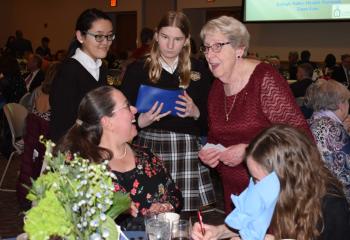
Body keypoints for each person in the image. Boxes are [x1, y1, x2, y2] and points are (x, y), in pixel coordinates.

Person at [198, 16, 311, 214]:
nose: (209, 54)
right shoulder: (216, 89)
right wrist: (212, 154)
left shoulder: (264, 79)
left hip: (274, 195)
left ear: (239, 49)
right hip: (235, 196)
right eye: (206, 47)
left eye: (217, 46)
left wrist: (249, 151)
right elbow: (217, 137)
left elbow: (299, 139)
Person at [120, 11, 215, 212]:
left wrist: (196, 112)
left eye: (177, 39)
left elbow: (211, 121)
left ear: (187, 40)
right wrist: (140, 120)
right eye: (165, 37)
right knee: (151, 211)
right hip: (149, 146)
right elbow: (121, 113)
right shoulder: (138, 69)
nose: (170, 46)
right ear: (156, 35)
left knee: (185, 214)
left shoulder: (199, 70)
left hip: (187, 148)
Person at [55, 86, 183, 230]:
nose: (134, 109)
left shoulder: (147, 156)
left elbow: (175, 194)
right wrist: (147, 217)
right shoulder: (85, 171)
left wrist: (166, 206)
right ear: (107, 122)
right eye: (127, 106)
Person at [192, 125, 350, 240]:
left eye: (260, 180)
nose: (256, 186)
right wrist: (218, 231)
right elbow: (249, 219)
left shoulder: (331, 204)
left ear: (288, 175)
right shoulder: (266, 185)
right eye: (254, 178)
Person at [50, 8, 114, 142]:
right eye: (99, 36)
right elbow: (62, 125)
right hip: (75, 150)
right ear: (80, 36)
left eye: (109, 36)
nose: (106, 42)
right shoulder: (68, 71)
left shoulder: (101, 67)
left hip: (95, 144)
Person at [16, 62, 60, 209]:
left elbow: (30, 115)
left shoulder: (38, 92)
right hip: (45, 147)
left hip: (32, 143)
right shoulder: (57, 97)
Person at [306, 79, 350, 202]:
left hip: (313, 190)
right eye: (347, 101)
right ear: (341, 105)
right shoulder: (333, 131)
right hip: (333, 198)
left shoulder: (313, 120)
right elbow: (346, 174)